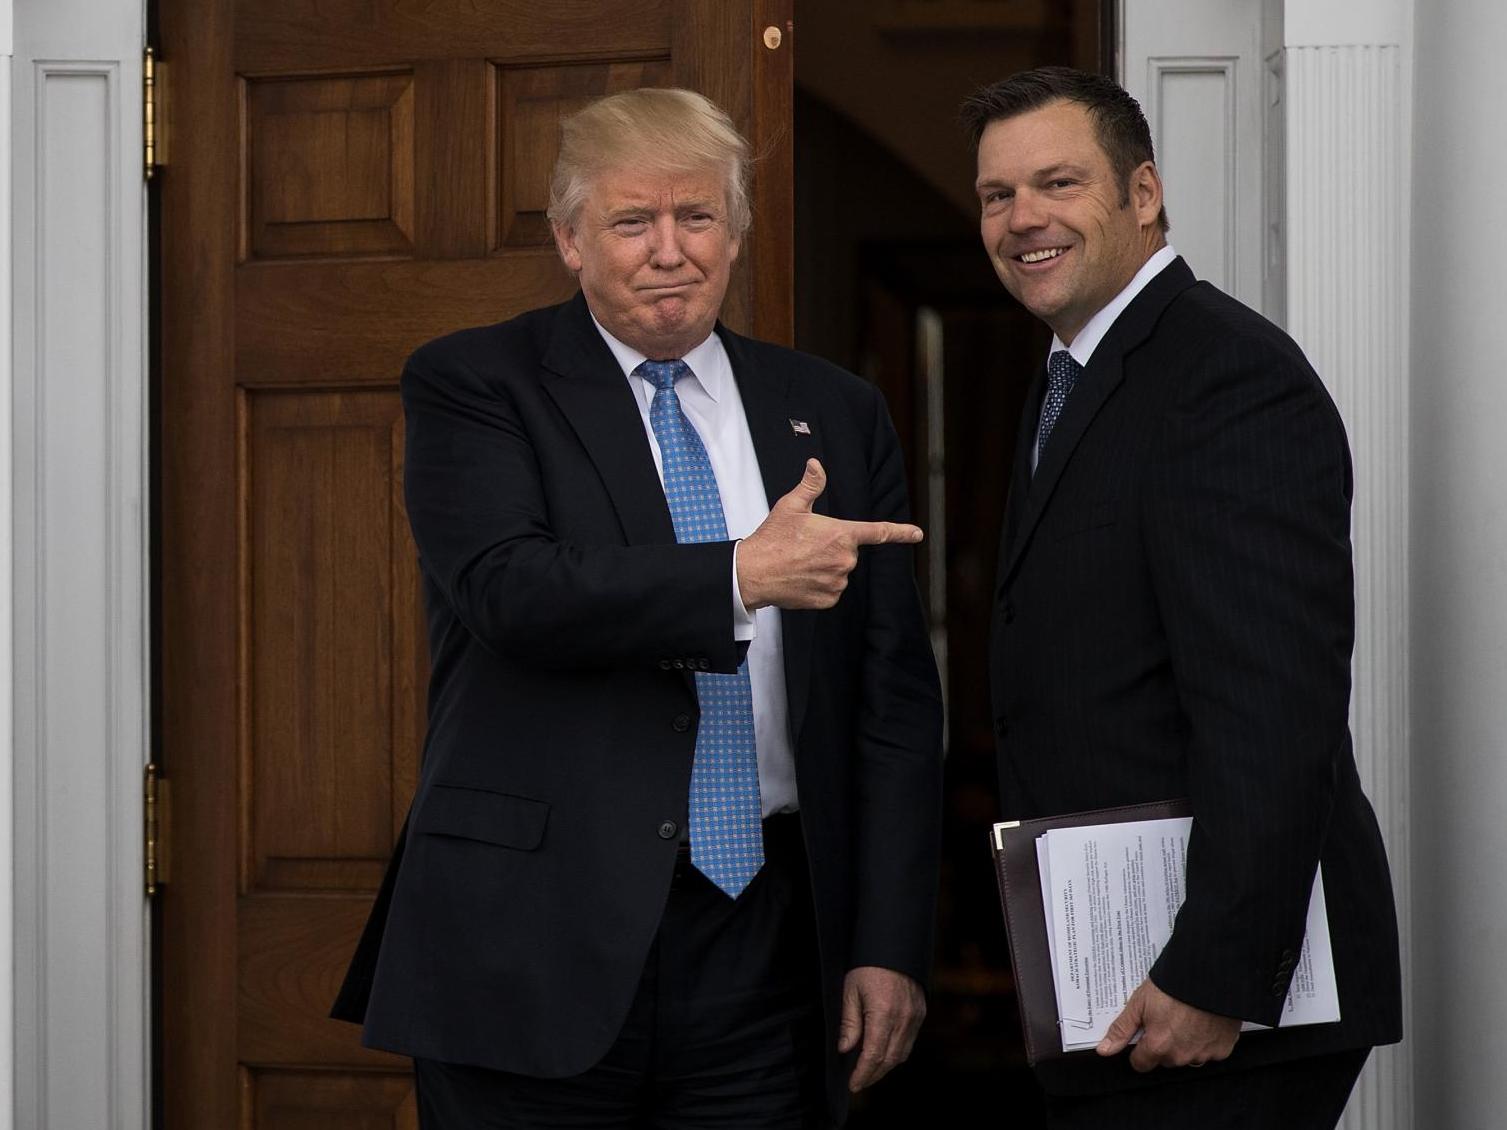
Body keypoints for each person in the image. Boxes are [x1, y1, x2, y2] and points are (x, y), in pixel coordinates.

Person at [331, 87, 944, 1129]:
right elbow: (510, 590)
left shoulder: (833, 408)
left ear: (736, 231)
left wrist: (886, 941)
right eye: (632, 221)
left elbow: (890, 703)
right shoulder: (477, 382)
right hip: (533, 938)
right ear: (571, 240)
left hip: (764, 943)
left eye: (696, 216)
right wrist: (737, 577)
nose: (670, 250)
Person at [963, 66, 1401, 1127]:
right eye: (995, 195)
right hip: (1122, 983)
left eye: (1057, 182)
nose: (1023, 218)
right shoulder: (1070, 371)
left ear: (1143, 192)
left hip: (1209, 999)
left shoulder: (1223, 376)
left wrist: (1216, 969)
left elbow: (1272, 705)